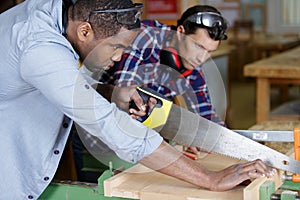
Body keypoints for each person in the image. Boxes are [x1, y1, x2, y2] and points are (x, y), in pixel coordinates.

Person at [0, 0, 274, 199]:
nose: (119, 58)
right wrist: (209, 178)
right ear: (84, 31)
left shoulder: (62, 11)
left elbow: (71, 85)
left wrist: (110, 93)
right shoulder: (39, 48)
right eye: (117, 48)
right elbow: (107, 122)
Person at [101, 5, 228, 154]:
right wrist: (180, 132)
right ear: (180, 32)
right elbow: (127, 96)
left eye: (209, 52)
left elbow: (204, 114)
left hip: (138, 133)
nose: (202, 58)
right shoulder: (145, 36)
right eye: (198, 46)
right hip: (100, 125)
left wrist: (223, 136)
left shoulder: (192, 63)